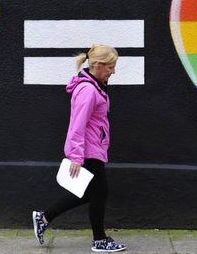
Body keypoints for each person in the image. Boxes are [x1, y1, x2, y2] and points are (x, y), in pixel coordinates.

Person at [32, 44, 127, 252]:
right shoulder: (88, 91)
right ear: (99, 65)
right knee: (99, 193)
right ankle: (99, 240)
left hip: (94, 146)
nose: (114, 71)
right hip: (89, 150)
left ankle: (44, 217)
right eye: (111, 67)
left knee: (90, 193)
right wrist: (76, 156)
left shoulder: (94, 86)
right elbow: (77, 124)